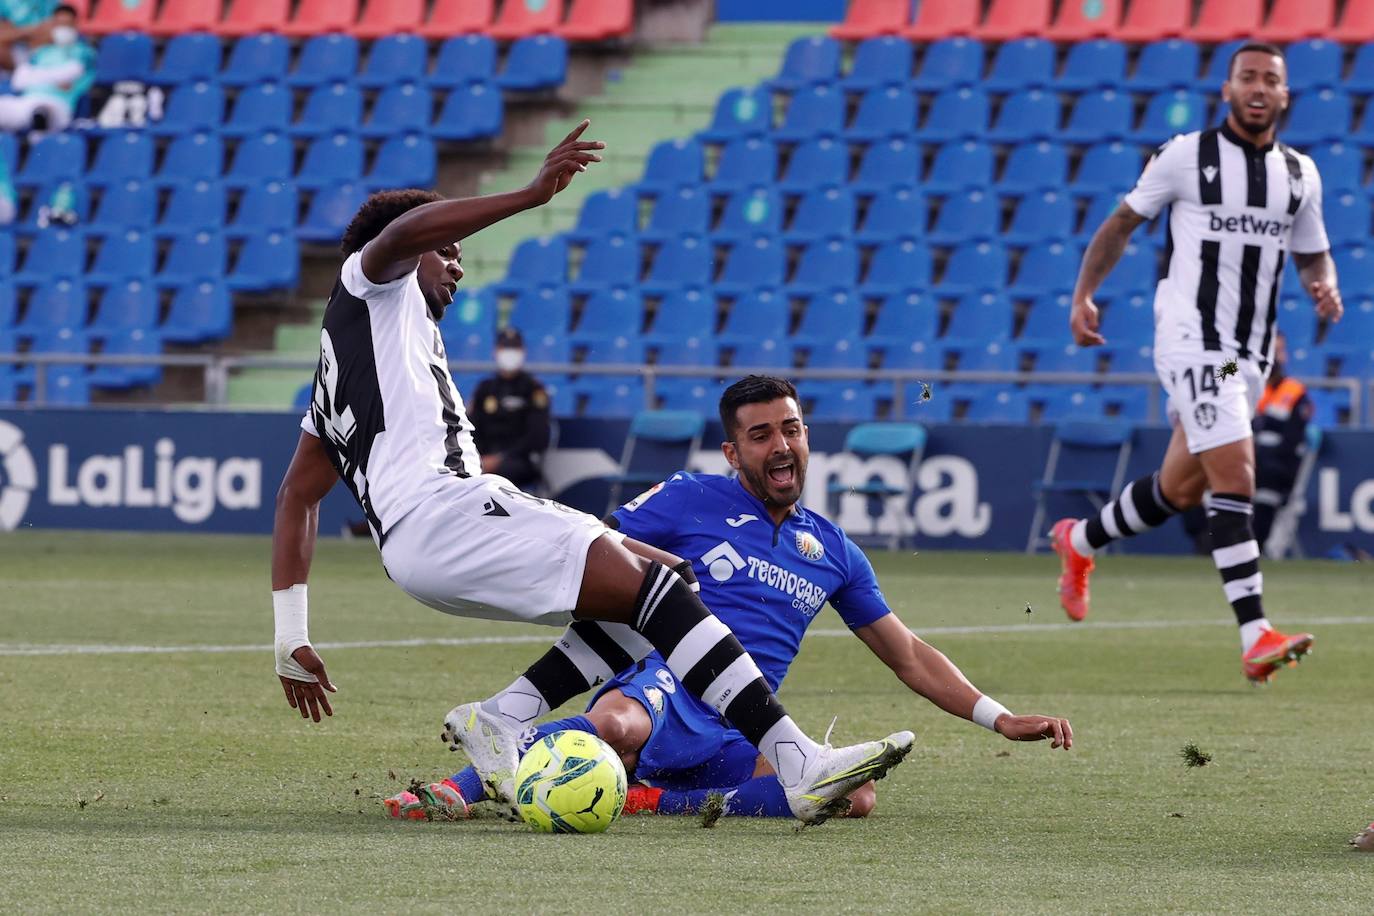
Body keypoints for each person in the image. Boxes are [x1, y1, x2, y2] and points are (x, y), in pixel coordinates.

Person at [269, 121, 914, 828]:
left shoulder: (346, 365)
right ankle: (796, 762)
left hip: (422, 544)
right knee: (660, 591)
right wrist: (529, 194)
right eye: (447, 252)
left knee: (661, 588)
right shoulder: (372, 287)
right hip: (447, 514)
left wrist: (288, 635)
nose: (457, 266)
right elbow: (393, 239)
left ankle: (504, 718)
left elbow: (299, 495)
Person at [387, 376, 1073, 822]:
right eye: (762, 434)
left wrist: (999, 717)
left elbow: (909, 655)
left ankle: (655, 799)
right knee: (621, 724)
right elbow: (595, 548)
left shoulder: (834, 550)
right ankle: (462, 786)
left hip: (742, 723)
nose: (782, 445)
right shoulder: (689, 497)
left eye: (793, 429)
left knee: (856, 798)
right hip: (663, 685)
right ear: (732, 452)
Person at [1052, 43, 1342, 684]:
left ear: (1285, 94)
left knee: (1182, 487)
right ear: (1228, 89)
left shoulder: (1301, 175)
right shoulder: (1186, 156)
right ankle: (1255, 632)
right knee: (1236, 469)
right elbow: (1121, 223)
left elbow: (1312, 253)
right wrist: (1083, 296)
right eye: (1248, 77)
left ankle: (1078, 541)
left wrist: (1325, 282)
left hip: (1248, 357)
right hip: (1190, 340)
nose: (1259, 87)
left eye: (1271, 78)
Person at [469, 327, 551, 492]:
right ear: (495, 351)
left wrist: (499, 459)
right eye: (505, 348)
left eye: (514, 348)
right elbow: (472, 427)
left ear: (523, 352)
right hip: (483, 457)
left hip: (518, 460)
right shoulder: (485, 389)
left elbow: (538, 436)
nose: (509, 353)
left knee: (506, 471)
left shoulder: (534, 389)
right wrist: (479, 458)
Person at [0, 4, 93, 134]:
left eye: (67, 24)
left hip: (57, 104)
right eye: (58, 24)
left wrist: (34, 77)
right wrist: (53, 78)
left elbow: (73, 72)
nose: (62, 28)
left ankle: (39, 149)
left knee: (41, 113)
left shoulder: (84, 52)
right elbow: (18, 80)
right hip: (27, 100)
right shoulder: (41, 52)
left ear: (75, 26)